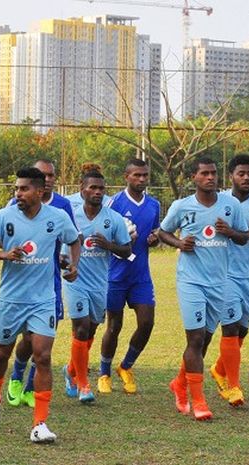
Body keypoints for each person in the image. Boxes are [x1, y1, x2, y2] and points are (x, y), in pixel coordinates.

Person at [0, 167, 80, 443]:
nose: (18, 194)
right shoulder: (4, 216)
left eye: (23, 189)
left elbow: (74, 240)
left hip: (43, 300)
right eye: (16, 189)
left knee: (43, 356)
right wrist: (4, 254)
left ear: (40, 191)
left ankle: (40, 424)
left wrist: (74, 266)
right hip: (11, 299)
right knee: (2, 354)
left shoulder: (57, 217)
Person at [158, 158, 248, 420]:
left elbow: (243, 237)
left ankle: (179, 383)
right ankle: (199, 402)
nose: (211, 177)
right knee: (195, 339)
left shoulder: (230, 205)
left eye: (214, 173)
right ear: (193, 178)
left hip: (219, 282)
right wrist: (178, 242)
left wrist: (229, 231)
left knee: (205, 340)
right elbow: (163, 232)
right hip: (191, 281)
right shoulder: (182, 206)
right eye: (205, 173)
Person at [6, 159, 76, 408]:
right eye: (42, 175)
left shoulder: (63, 206)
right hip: (21, 283)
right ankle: (16, 375)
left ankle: (29, 388)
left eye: (51, 175)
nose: (47, 179)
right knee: (27, 338)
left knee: (44, 340)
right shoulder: (16, 203)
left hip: (50, 283)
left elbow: (71, 237)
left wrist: (68, 261)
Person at [62, 171, 132, 403]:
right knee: (80, 328)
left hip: (100, 283)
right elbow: (59, 248)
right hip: (75, 279)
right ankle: (83, 384)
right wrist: (67, 263)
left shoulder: (113, 218)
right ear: (82, 189)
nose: (97, 192)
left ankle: (71, 370)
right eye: (92, 188)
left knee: (90, 330)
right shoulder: (70, 217)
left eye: (101, 188)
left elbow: (127, 250)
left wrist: (108, 245)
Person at [99, 158, 161, 394]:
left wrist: (153, 241)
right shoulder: (114, 203)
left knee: (147, 323)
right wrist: (122, 241)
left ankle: (125, 366)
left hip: (141, 275)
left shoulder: (153, 204)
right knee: (114, 326)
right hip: (115, 275)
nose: (142, 179)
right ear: (126, 176)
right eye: (137, 175)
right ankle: (104, 372)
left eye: (145, 175)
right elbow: (103, 238)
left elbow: (153, 234)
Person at [210, 154, 249, 401]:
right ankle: (234, 387)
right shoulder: (219, 201)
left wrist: (236, 232)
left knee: (242, 331)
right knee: (231, 327)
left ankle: (219, 369)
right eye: (242, 173)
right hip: (225, 275)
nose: (247, 178)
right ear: (231, 176)